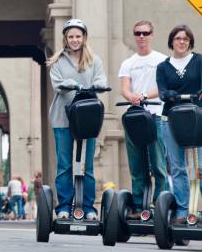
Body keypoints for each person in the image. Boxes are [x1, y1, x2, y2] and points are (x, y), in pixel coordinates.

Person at [47, 18, 107, 220]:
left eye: (78, 36)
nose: (74, 40)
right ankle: (64, 206)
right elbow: (57, 84)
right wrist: (70, 83)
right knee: (65, 164)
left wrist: (98, 84)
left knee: (87, 165)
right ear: (65, 38)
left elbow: (101, 79)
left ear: (84, 38)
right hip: (63, 118)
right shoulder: (57, 61)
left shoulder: (94, 60)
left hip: (87, 118)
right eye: (71, 36)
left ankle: (88, 207)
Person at [118, 20, 169, 219]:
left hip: (156, 117)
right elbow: (124, 88)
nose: (141, 36)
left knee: (158, 165)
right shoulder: (128, 63)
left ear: (152, 34)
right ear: (134, 35)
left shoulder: (162, 61)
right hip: (135, 118)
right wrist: (132, 97)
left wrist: (145, 96)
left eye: (145, 33)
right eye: (138, 33)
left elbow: (162, 88)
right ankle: (139, 206)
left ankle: (160, 204)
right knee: (136, 166)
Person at [156, 24, 202, 224]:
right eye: (177, 38)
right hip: (171, 121)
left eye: (185, 38)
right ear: (171, 42)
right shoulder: (163, 67)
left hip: (197, 120)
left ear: (190, 42)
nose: (181, 42)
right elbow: (162, 90)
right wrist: (168, 95)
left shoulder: (199, 61)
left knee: (200, 167)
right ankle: (183, 212)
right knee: (177, 167)